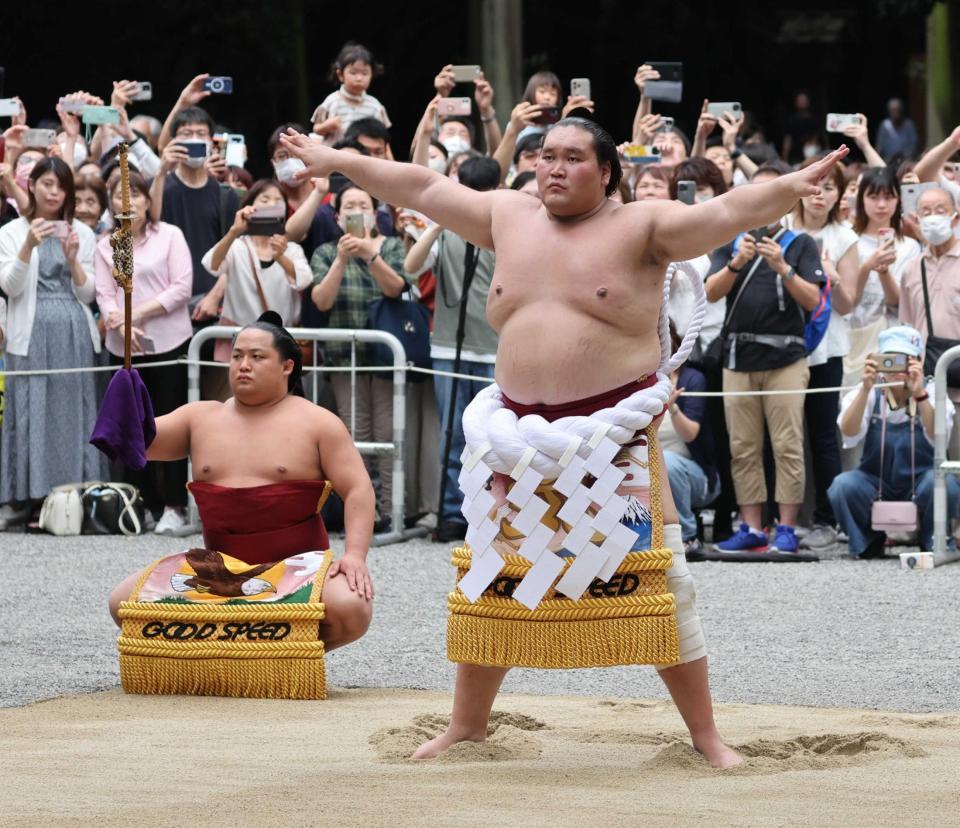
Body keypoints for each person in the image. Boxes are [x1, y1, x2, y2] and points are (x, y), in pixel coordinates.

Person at [280, 117, 848, 768]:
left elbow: (725, 212)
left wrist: (790, 189)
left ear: (606, 172)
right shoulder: (506, 216)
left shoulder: (643, 226)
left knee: (658, 587)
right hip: (514, 441)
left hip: (612, 441)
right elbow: (422, 187)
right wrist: (338, 159)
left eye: (572, 158)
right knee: (493, 582)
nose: (553, 167)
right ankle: (468, 725)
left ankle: (706, 736)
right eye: (545, 155)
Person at [106, 315, 375, 652]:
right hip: (216, 569)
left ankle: (287, 651)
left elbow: (357, 488)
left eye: (257, 357)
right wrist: (127, 389)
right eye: (237, 356)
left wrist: (354, 555)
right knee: (123, 604)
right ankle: (226, 654)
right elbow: (135, 442)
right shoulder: (200, 418)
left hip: (296, 566)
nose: (243, 365)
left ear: (287, 366)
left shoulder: (318, 423)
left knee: (351, 607)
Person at [706, 162, 826, 554]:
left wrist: (783, 267)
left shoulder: (801, 244)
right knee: (743, 446)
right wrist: (738, 262)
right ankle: (752, 526)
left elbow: (814, 301)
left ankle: (787, 527)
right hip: (738, 357)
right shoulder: (731, 241)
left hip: (787, 357)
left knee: (788, 443)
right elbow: (710, 293)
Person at [0, 157, 106, 527]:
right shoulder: (12, 231)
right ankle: (26, 497)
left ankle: (75, 494)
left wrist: (74, 259)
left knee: (73, 410)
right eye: (46, 183)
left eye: (60, 186)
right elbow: (9, 287)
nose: (53, 192)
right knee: (30, 409)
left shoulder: (82, 231)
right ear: (31, 185)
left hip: (73, 329)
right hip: (29, 332)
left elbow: (90, 291)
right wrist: (28, 246)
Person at [402, 156, 500, 543]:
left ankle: (493, 513)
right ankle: (450, 511)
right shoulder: (446, 233)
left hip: (495, 348)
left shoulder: (505, 231)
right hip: (448, 346)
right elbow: (411, 267)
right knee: (452, 435)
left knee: (493, 437)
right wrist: (439, 223)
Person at [94, 171, 193, 534]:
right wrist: (119, 324)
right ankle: (144, 501)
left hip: (168, 342)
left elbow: (182, 287)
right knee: (131, 423)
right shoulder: (108, 244)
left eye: (135, 194)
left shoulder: (169, 236)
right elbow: (105, 295)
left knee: (171, 422)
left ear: (148, 201)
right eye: (120, 196)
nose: (129, 202)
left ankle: (175, 504)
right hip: (124, 346)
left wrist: (137, 314)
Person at [309, 183, 408, 530]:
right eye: (348, 206)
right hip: (343, 358)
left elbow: (395, 287)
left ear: (375, 213)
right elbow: (321, 300)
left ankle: (390, 511)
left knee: (387, 432)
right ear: (337, 217)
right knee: (355, 436)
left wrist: (370, 253)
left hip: (385, 357)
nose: (355, 211)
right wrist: (341, 259)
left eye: (362, 204)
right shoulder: (324, 252)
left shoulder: (392, 246)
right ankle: (365, 512)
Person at [829, 326, 959, 557]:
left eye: (905, 361)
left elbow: (939, 436)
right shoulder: (870, 390)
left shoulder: (932, 389)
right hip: (876, 480)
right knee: (842, 486)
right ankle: (867, 543)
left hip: (921, 479)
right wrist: (866, 388)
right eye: (890, 360)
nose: (897, 370)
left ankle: (933, 539)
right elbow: (848, 430)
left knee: (943, 483)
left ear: (919, 361)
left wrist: (919, 394)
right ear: (878, 361)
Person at [785, 157, 860, 550]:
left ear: (840, 196)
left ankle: (827, 519)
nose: (820, 195)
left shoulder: (845, 237)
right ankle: (781, 520)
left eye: (831, 188)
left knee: (822, 435)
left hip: (828, 348)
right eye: (816, 184)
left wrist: (831, 275)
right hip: (783, 346)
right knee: (783, 435)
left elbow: (848, 304)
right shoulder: (783, 229)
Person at [847, 167, 921, 385]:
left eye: (888, 197)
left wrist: (884, 272)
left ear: (898, 200)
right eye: (873, 196)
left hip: (895, 339)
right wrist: (867, 266)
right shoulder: (849, 240)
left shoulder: (910, 247)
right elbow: (849, 299)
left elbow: (897, 302)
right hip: (855, 336)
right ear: (861, 200)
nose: (881, 205)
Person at [662, 325, 718, 558]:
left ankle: (688, 536)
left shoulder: (691, 379)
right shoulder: (634, 381)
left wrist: (671, 406)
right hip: (648, 471)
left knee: (664, 461)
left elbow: (691, 434)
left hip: (694, 476)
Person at [311, 43, 391, 145]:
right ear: (340, 75)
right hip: (335, 157)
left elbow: (383, 139)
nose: (359, 78)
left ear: (372, 75)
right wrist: (327, 126)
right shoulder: (331, 101)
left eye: (364, 73)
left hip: (364, 158)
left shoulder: (375, 106)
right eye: (353, 73)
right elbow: (316, 129)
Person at [875, 98, 919, 163]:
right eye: (893, 111)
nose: (896, 113)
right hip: (888, 162)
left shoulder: (909, 125)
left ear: (902, 111)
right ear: (889, 112)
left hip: (905, 162)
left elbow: (913, 147)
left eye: (898, 110)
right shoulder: (884, 125)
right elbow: (879, 147)